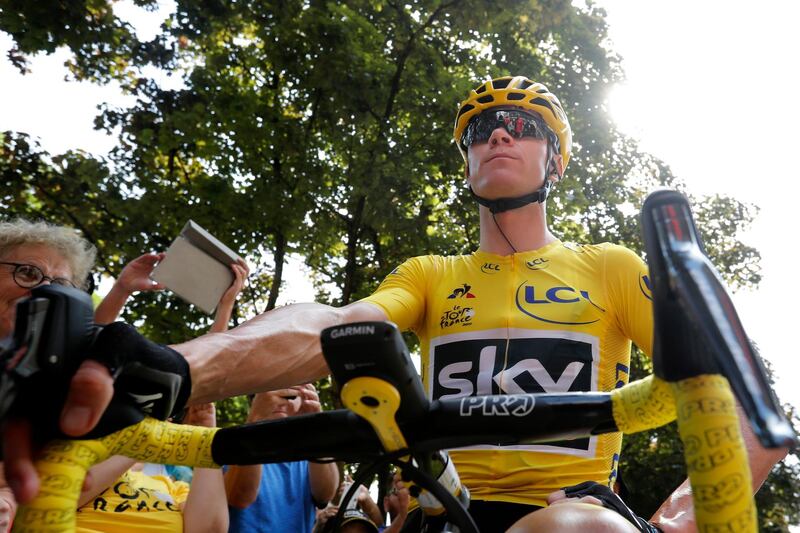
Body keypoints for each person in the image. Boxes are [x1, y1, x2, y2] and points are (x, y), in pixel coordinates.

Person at [4, 78, 788, 531]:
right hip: (441, 508)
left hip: (570, 508)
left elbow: (749, 405)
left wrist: (674, 520)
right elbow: (329, 328)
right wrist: (169, 370)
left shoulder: (610, 265)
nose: (497, 137)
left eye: (520, 127)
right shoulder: (431, 270)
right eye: (480, 131)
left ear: (556, 156)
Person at [74, 402, 227, 533]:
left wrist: (206, 434)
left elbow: (209, 529)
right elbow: (66, 495)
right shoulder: (77, 464)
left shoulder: (172, 487)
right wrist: (145, 437)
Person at [224, 384, 339, 532]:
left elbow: (325, 494)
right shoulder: (235, 442)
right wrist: (256, 420)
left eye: (290, 395)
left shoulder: (310, 453)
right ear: (255, 401)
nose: (281, 401)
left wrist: (315, 426)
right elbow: (239, 497)